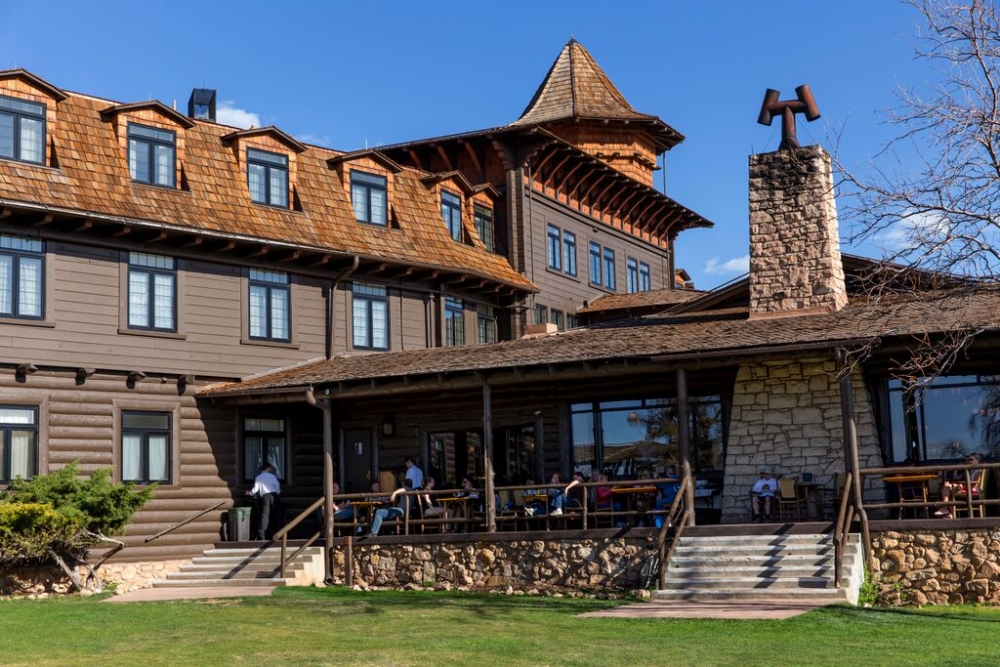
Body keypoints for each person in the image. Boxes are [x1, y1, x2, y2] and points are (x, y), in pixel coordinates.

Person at [936, 453, 983, 518]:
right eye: (967, 459)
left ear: (977, 461)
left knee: (948, 489)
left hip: (972, 490)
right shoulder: (971, 469)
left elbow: (974, 484)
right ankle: (947, 509)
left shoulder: (978, 470)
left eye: (971, 459)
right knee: (947, 485)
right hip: (967, 487)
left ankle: (948, 511)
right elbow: (951, 471)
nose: (968, 461)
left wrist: (963, 485)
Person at [248, 463, 282, 540]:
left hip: (265, 497)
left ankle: (262, 535)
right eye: (270, 468)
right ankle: (280, 534)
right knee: (277, 514)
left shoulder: (258, 477)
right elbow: (277, 486)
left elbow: (255, 489)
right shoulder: (272, 476)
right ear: (267, 468)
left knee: (264, 516)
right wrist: (277, 493)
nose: (270, 469)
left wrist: (250, 493)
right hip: (273, 496)